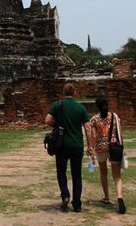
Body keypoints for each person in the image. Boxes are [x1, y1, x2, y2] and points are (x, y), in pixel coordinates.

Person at [45, 83, 91, 212]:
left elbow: (47, 120)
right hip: (77, 145)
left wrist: (57, 125)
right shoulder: (80, 108)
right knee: (77, 175)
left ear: (63, 92)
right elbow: (88, 128)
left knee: (61, 171)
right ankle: (77, 204)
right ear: (74, 92)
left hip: (62, 144)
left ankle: (65, 195)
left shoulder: (58, 105)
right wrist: (90, 146)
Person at [88, 94, 126, 214]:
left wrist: (91, 149)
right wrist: (122, 147)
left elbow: (93, 136)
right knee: (117, 176)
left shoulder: (94, 119)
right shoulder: (114, 117)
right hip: (114, 147)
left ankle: (106, 197)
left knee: (103, 173)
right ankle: (119, 197)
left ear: (97, 107)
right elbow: (120, 133)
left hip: (101, 149)